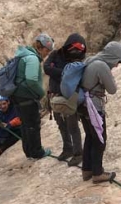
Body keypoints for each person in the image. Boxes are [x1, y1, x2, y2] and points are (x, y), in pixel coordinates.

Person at [79, 41, 121, 183]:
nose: (118, 64)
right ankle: (97, 173)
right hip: (93, 107)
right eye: (119, 61)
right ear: (113, 57)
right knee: (100, 139)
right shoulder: (101, 66)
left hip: (82, 105)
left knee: (90, 137)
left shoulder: (91, 59)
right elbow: (112, 89)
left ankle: (87, 170)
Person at [44, 33, 87, 166]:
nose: (76, 52)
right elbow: (46, 68)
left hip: (69, 96)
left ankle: (78, 153)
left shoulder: (78, 59)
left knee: (72, 124)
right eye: (74, 49)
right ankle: (67, 148)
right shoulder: (56, 54)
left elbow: (75, 75)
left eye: (79, 50)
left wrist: (59, 72)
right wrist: (65, 73)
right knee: (61, 124)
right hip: (55, 94)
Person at [11, 33, 54, 160]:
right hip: (26, 96)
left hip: (17, 95)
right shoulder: (32, 58)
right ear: (42, 48)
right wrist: (40, 93)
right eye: (47, 50)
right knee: (33, 124)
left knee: (25, 124)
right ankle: (37, 152)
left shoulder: (23, 54)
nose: (47, 54)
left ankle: (29, 151)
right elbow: (31, 80)